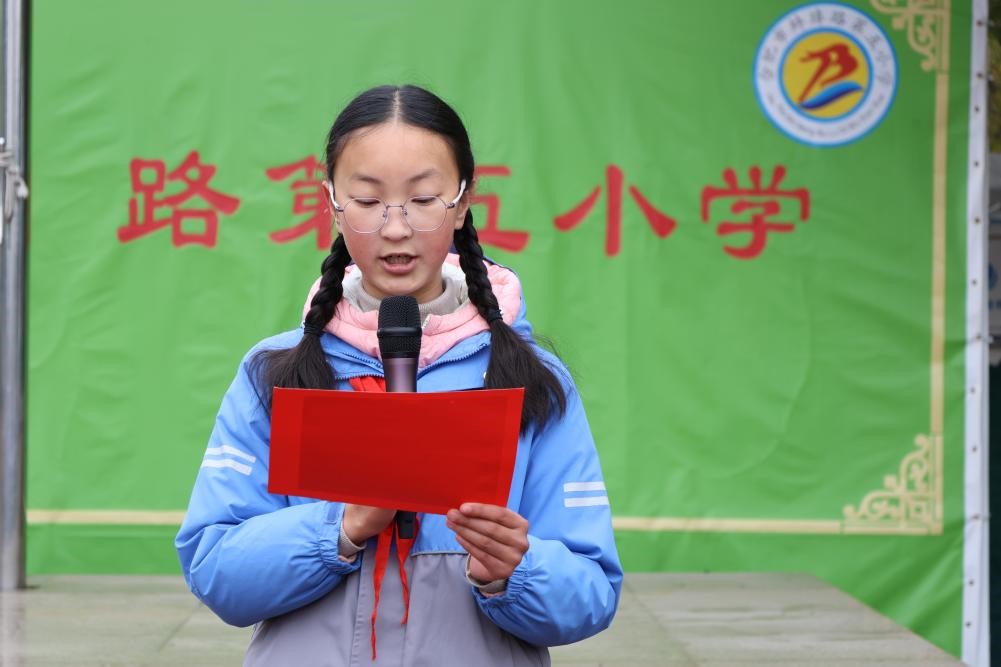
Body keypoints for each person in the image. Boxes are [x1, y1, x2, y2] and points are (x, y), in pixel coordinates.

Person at [175, 84, 622, 667]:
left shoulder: (530, 378)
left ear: (462, 202)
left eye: (423, 198)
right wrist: (342, 526)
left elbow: (592, 593)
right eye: (367, 199)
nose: (394, 228)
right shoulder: (276, 372)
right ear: (332, 203)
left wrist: (515, 569)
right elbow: (214, 569)